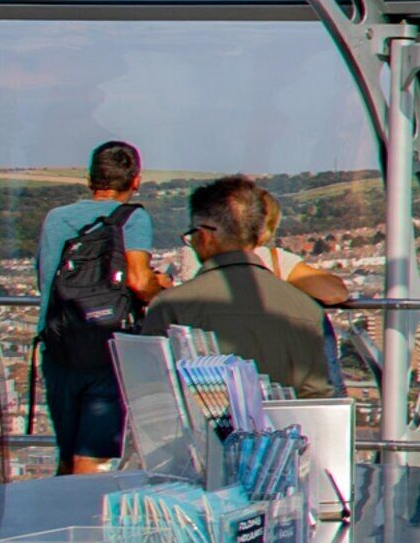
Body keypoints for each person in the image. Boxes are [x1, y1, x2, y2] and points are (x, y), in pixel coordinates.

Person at [35, 139, 167, 472]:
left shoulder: (55, 219)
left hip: (58, 345)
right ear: (135, 180)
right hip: (107, 347)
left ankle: (61, 505)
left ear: (89, 179)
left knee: (66, 455)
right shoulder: (132, 219)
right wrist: (162, 288)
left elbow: (46, 280)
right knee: (92, 457)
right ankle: (84, 507)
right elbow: (139, 281)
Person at [139, 177, 334, 395]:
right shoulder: (307, 310)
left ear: (205, 236)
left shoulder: (170, 305)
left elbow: (151, 391)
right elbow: (317, 397)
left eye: (191, 236)